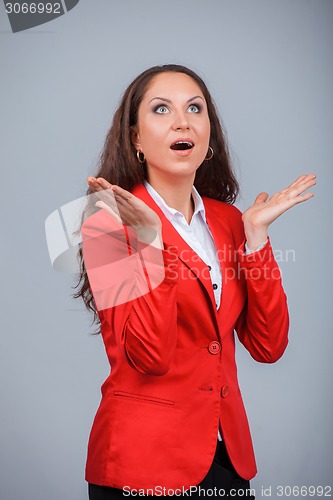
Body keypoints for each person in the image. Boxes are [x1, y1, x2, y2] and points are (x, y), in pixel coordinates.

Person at [74, 64, 316, 499]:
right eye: (161, 109)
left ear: (208, 136)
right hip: (143, 463)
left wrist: (256, 241)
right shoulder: (107, 225)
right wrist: (150, 242)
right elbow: (148, 357)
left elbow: (268, 346)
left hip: (227, 457)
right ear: (135, 139)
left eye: (194, 108)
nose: (182, 120)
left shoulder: (229, 221)